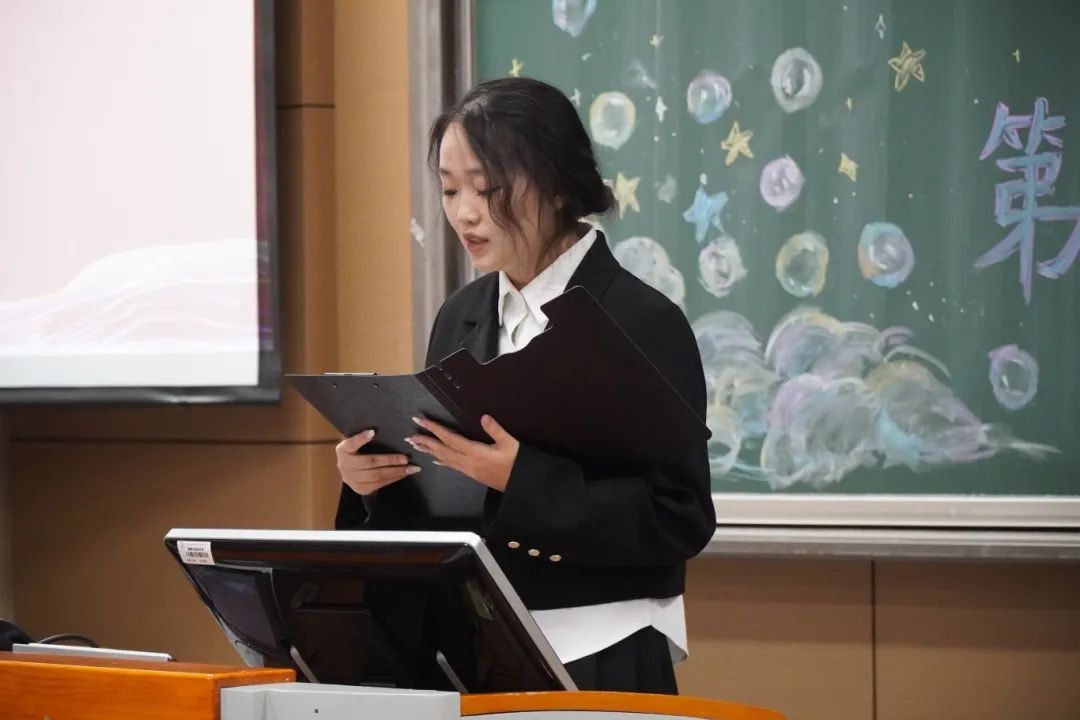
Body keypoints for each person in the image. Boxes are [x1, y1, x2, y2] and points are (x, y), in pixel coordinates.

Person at [334, 77, 715, 694]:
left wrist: (522, 480)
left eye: (488, 188)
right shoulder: (460, 315)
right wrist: (372, 482)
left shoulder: (643, 321)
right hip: (473, 645)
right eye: (450, 189)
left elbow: (681, 518)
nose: (464, 212)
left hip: (601, 646)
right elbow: (442, 493)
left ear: (558, 183)